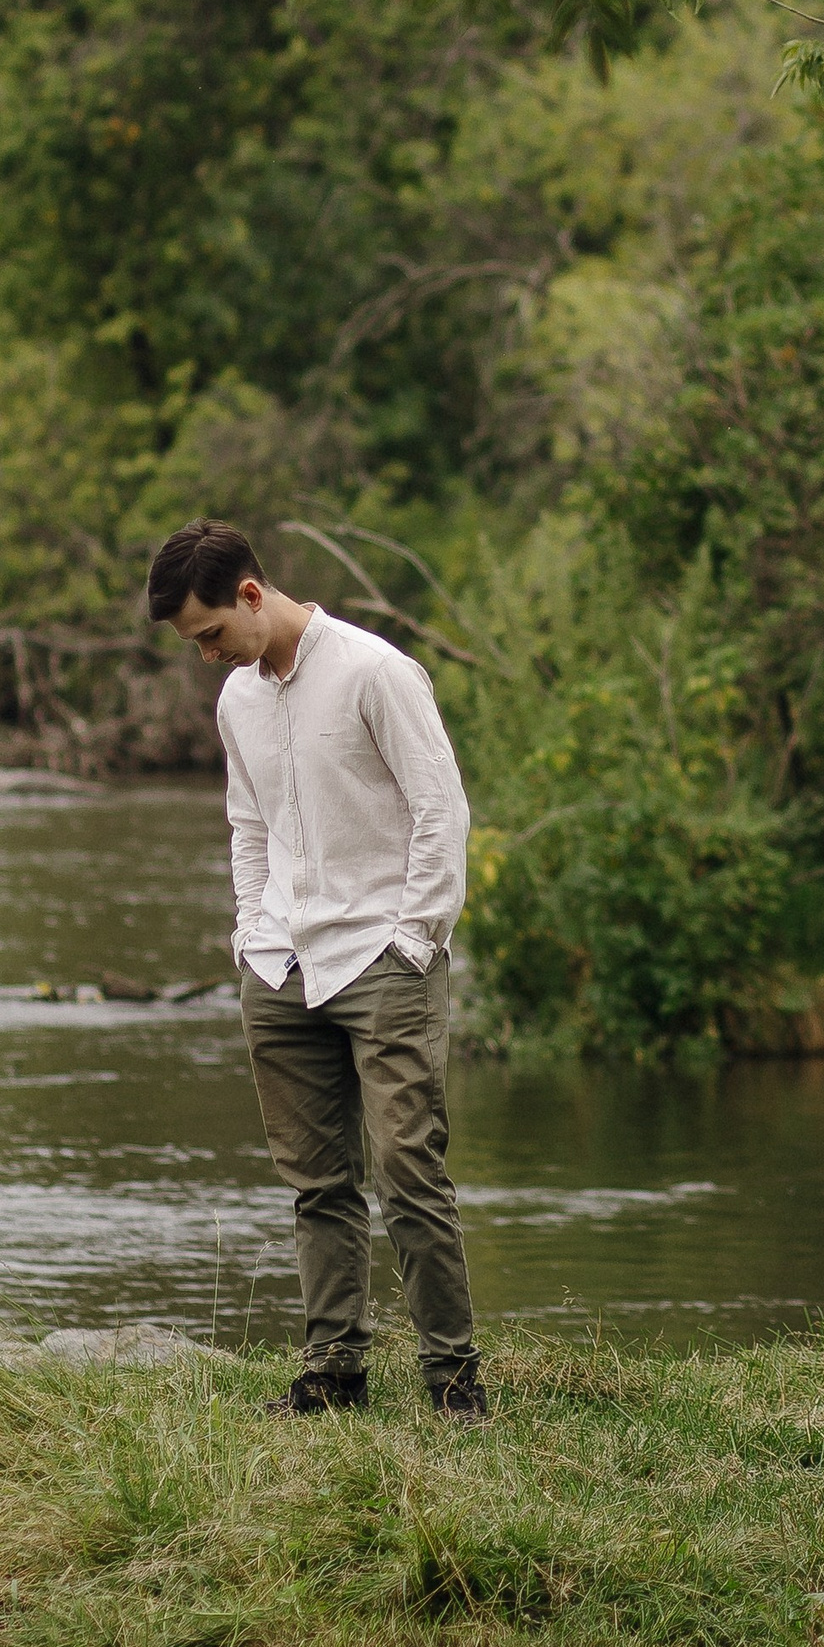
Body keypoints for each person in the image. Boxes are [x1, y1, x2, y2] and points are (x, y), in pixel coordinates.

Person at [146, 518, 488, 1422]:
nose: (210, 655)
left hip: (383, 959)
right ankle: (334, 1377)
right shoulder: (238, 703)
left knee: (410, 1173)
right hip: (280, 966)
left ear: (251, 595)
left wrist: (415, 941)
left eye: (213, 634)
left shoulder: (376, 672)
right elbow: (248, 826)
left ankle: (454, 1382)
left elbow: (440, 812)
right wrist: (249, 935)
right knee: (317, 1186)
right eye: (196, 644)